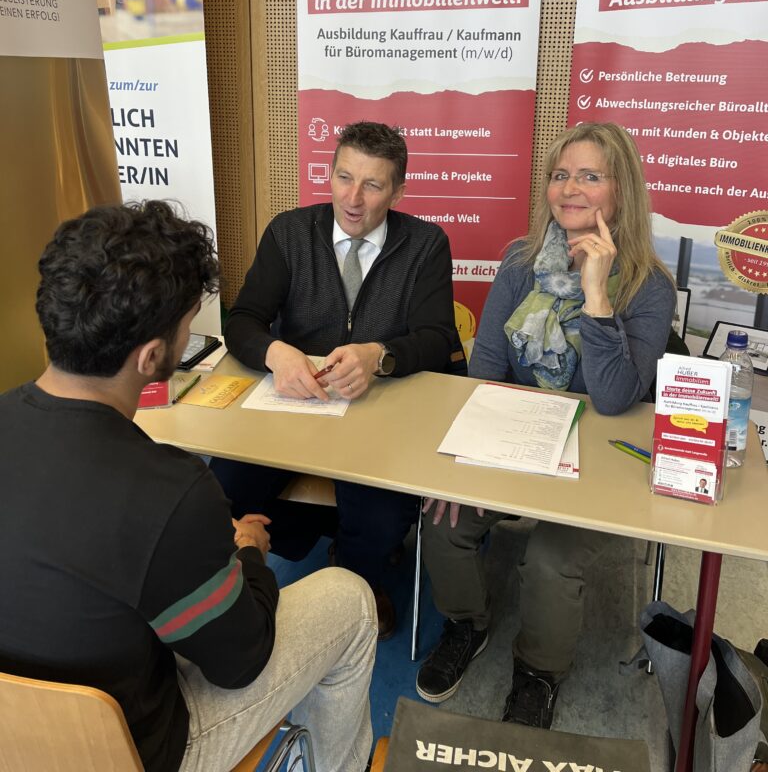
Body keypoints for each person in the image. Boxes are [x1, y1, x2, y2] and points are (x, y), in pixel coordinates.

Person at [0, 201, 376, 772]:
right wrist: (248, 555)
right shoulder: (170, 491)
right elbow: (240, 663)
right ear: (154, 356)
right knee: (350, 599)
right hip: (135, 752)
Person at [416, 122, 676, 730]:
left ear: (621, 189)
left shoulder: (649, 286)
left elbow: (614, 399)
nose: (570, 188)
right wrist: (459, 461)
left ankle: (538, 670)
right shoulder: (519, 262)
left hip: (599, 453)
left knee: (552, 558)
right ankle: (467, 624)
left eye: (590, 175)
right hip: (517, 437)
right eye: (561, 175)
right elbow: (486, 368)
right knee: (442, 518)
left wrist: (596, 296)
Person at [210, 121, 465, 639]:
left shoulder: (426, 244)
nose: (353, 198)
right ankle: (249, 573)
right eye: (344, 177)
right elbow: (242, 320)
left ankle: (360, 582)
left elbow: (438, 337)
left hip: (378, 414)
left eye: (372, 185)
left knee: (381, 515)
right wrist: (275, 352)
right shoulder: (289, 233)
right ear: (328, 174)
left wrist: (380, 355)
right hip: (292, 407)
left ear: (397, 192)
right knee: (221, 488)